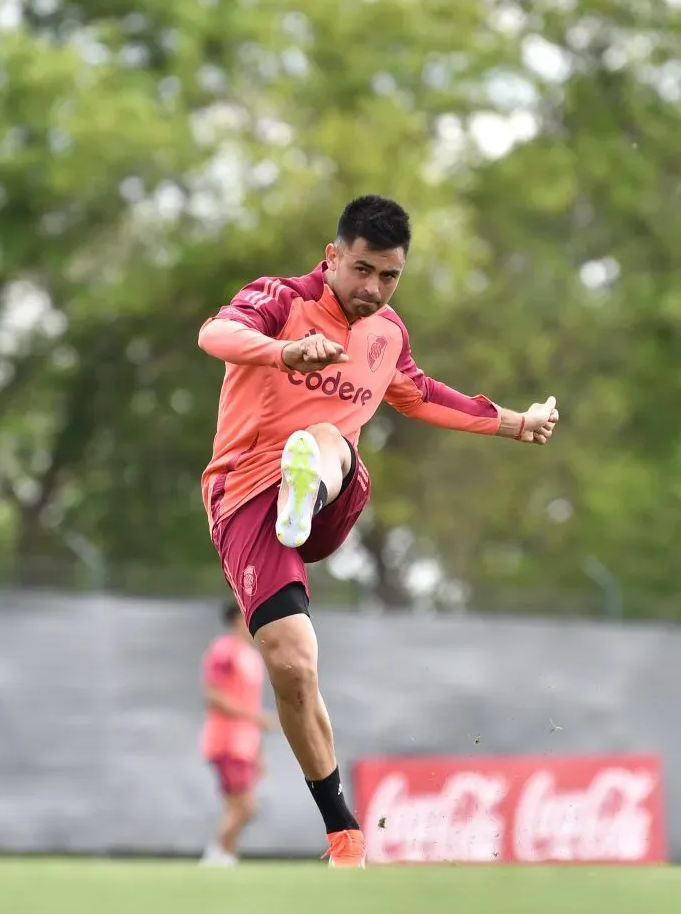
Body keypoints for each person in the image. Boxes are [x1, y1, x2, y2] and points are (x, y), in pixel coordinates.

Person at [198, 194, 559, 867]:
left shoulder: (387, 333)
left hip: (328, 490)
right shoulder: (279, 299)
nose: (373, 288)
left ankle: (310, 480)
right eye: (362, 269)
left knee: (326, 438)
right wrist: (284, 352)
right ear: (332, 256)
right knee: (293, 664)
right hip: (246, 497)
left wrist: (515, 422)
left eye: (389, 276)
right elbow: (214, 334)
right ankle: (344, 835)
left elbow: (422, 395)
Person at [199, 601, 276, 867]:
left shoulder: (252, 657)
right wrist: (255, 717)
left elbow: (249, 701)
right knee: (245, 806)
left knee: (235, 808)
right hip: (226, 741)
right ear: (236, 619)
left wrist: (258, 751)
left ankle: (226, 859)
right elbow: (213, 696)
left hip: (246, 744)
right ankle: (215, 854)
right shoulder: (223, 651)